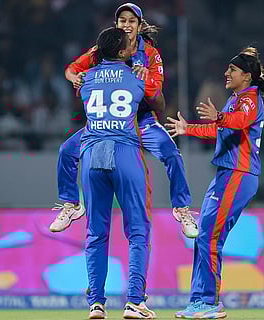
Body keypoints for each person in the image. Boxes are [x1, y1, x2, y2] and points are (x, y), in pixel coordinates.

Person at [50, 2, 198, 240]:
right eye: (122, 21)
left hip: (141, 120)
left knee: (171, 153)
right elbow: (71, 69)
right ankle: (70, 205)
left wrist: (146, 78)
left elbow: (158, 98)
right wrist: (75, 78)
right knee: (67, 151)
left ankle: (182, 209)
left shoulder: (150, 54)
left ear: (139, 26)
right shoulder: (104, 48)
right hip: (108, 124)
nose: (126, 25)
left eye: (131, 21)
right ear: (116, 24)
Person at [166, 46, 264, 319]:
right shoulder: (235, 98)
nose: (226, 73)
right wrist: (187, 129)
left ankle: (210, 302)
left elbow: (239, 122)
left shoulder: (249, 99)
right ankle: (198, 300)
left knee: (210, 237)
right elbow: (220, 129)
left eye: (232, 70)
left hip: (238, 174)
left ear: (247, 76)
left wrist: (218, 117)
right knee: (203, 236)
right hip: (226, 174)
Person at [80, 26, 161, 320]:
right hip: (125, 151)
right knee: (138, 230)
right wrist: (143, 75)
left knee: (96, 233)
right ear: (122, 51)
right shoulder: (136, 77)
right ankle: (134, 302)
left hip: (92, 153)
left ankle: (96, 304)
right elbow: (156, 103)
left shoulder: (86, 79)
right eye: (127, 44)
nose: (132, 45)